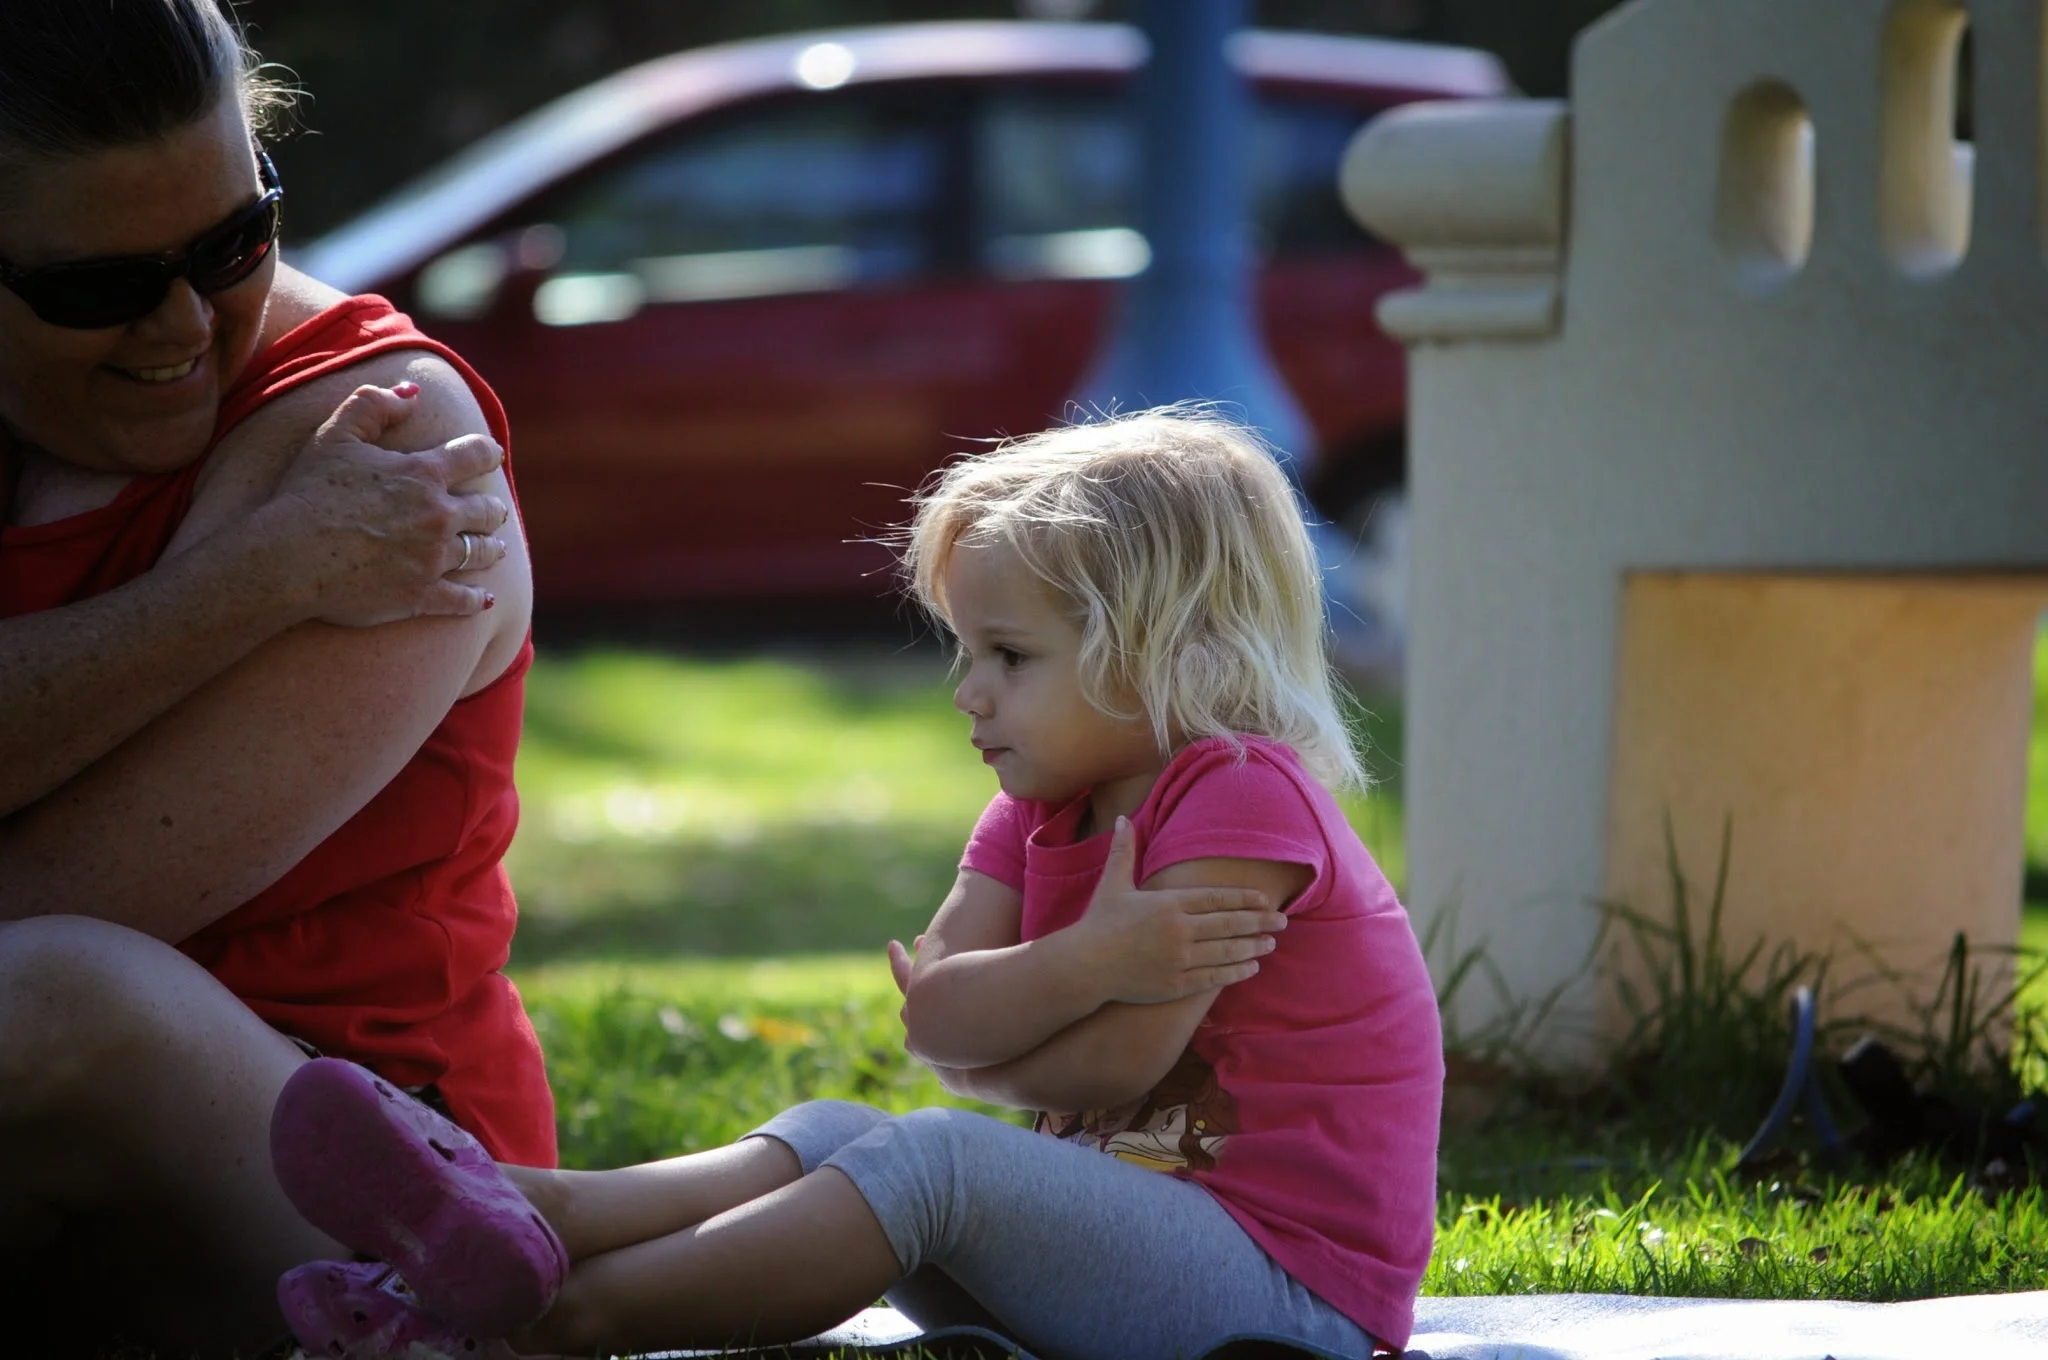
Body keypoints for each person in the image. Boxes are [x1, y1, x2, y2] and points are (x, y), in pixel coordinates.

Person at [267, 408, 1446, 1360]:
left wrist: (1027, 1007)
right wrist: (1073, 976)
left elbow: (1111, 1063)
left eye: (1010, 656)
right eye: (963, 650)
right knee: (843, 1129)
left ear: (1163, 645)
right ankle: (534, 1218)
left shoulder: (1239, 796)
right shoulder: (1035, 809)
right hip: (1123, 1257)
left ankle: (550, 1329)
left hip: (1285, 1302)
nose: (965, 692)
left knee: (930, 1153)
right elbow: (935, 1023)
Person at [0, 4, 553, 1355]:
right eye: (96, 287)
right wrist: (238, 585)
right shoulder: (305, 525)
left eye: (237, 242)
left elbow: (52, 902)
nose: (182, 324)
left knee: (53, 991)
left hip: (370, 1201)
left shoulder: (394, 442)